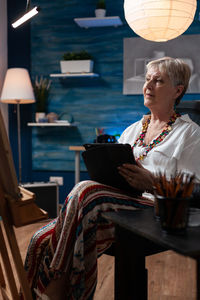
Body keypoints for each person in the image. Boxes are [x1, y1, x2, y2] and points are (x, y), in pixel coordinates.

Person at [24, 57, 200, 300]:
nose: (148, 86)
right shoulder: (132, 130)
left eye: (158, 81)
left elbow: (195, 190)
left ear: (178, 90)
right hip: (121, 200)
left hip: (156, 208)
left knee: (86, 191)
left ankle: (58, 284)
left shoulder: (189, 133)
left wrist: (152, 181)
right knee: (38, 239)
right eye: (147, 79)